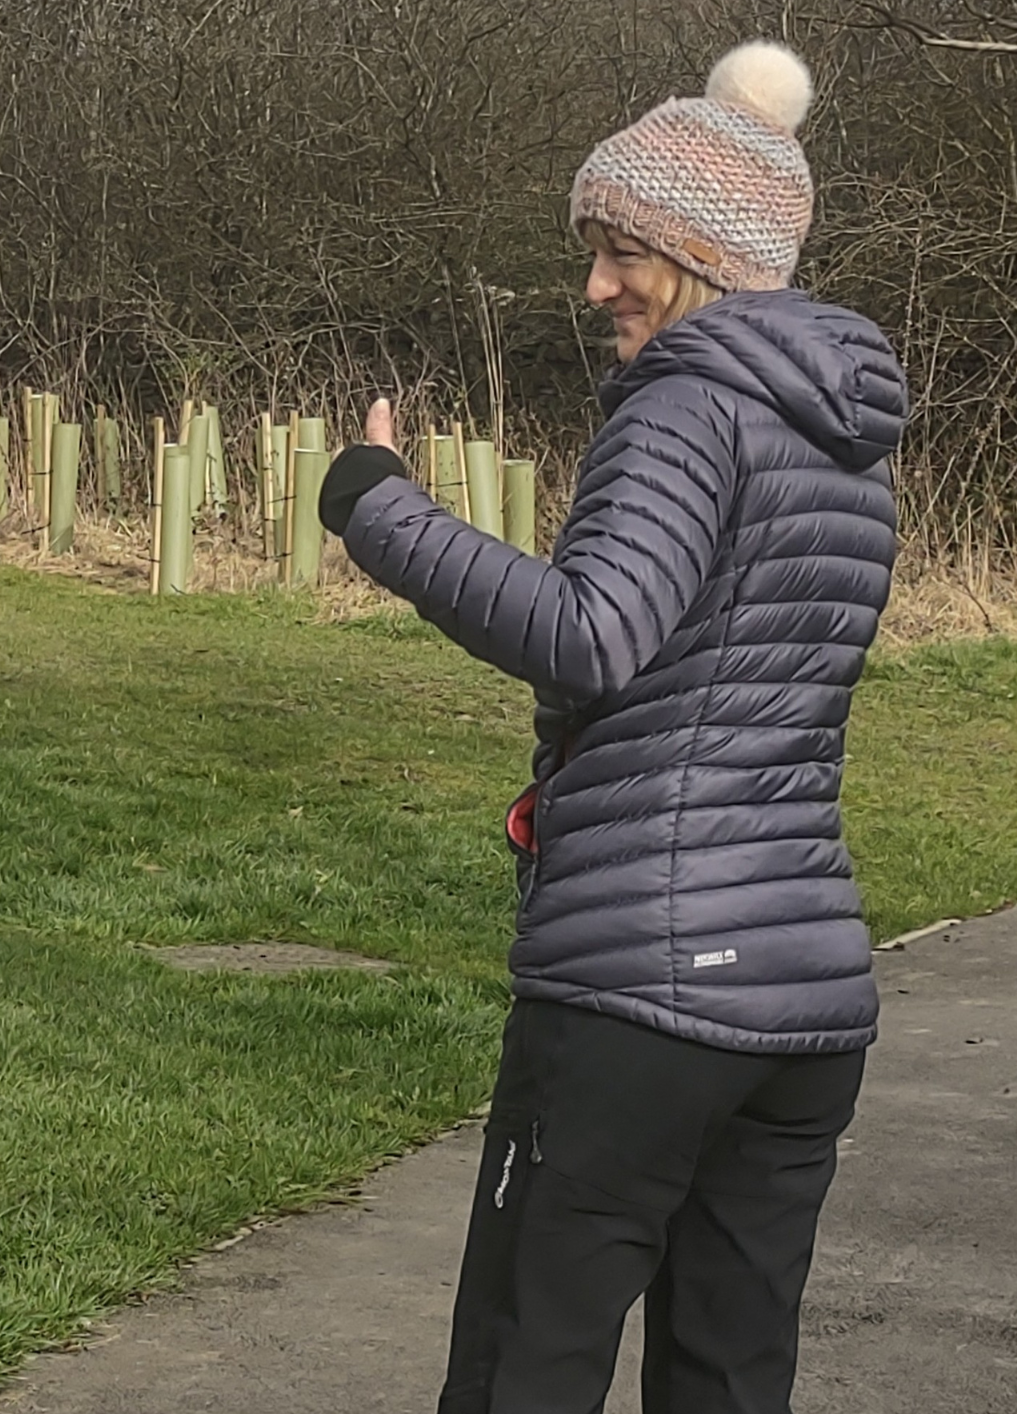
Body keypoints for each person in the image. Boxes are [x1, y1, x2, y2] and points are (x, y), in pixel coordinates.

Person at [316, 41, 907, 1414]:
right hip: (803, 1000)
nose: (595, 285)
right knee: (729, 1378)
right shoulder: (847, 437)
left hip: (641, 994)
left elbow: (592, 632)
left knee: (524, 1364)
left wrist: (379, 510)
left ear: (701, 256)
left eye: (622, 250)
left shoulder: (687, 407)